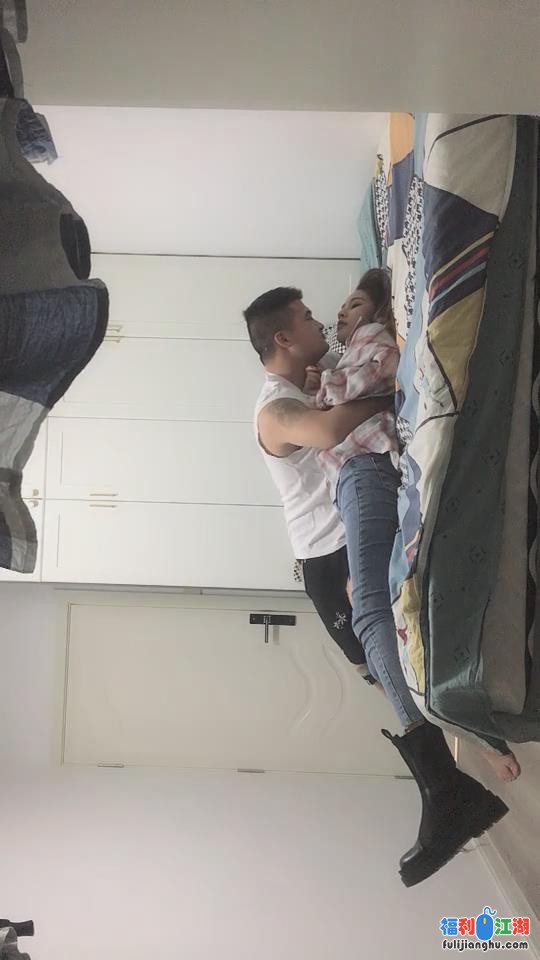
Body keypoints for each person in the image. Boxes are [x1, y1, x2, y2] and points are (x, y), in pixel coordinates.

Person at [243, 281, 511, 888]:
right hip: (326, 555)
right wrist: (387, 393)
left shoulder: (310, 378)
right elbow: (328, 431)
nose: (321, 323)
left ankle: (454, 784)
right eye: (307, 318)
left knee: (397, 648)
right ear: (284, 337)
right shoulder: (274, 409)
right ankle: (455, 778)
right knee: (380, 662)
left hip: (346, 526)